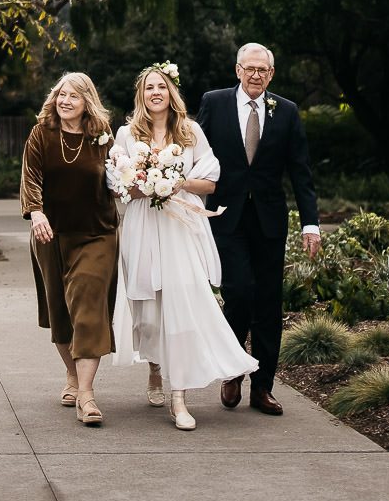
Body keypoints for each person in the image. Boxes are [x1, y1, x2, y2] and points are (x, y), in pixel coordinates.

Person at [109, 62, 258, 430]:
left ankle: (179, 399)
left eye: (161, 86)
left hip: (180, 229)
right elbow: (116, 185)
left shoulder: (190, 132)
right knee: (148, 309)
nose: (155, 93)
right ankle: (155, 370)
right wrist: (140, 185)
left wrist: (177, 184)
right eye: (148, 88)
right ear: (141, 95)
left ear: (171, 92)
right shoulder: (127, 134)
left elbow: (210, 182)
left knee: (181, 306)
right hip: (143, 227)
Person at [195, 42, 320, 416]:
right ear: (237, 70)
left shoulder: (287, 111)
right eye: (249, 69)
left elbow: (301, 172)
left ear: (271, 74)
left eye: (262, 71)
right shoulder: (214, 103)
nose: (255, 76)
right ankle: (232, 371)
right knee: (239, 293)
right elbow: (194, 151)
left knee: (268, 302)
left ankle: (262, 387)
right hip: (225, 216)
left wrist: (310, 223)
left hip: (269, 221)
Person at [21, 72, 119, 426]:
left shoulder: (103, 138)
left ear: (86, 102)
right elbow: (30, 177)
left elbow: (119, 179)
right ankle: (73, 377)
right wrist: (36, 214)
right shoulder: (41, 134)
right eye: (61, 94)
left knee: (89, 306)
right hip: (51, 234)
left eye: (73, 96)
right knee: (60, 311)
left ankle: (87, 396)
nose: (65, 101)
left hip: (97, 234)